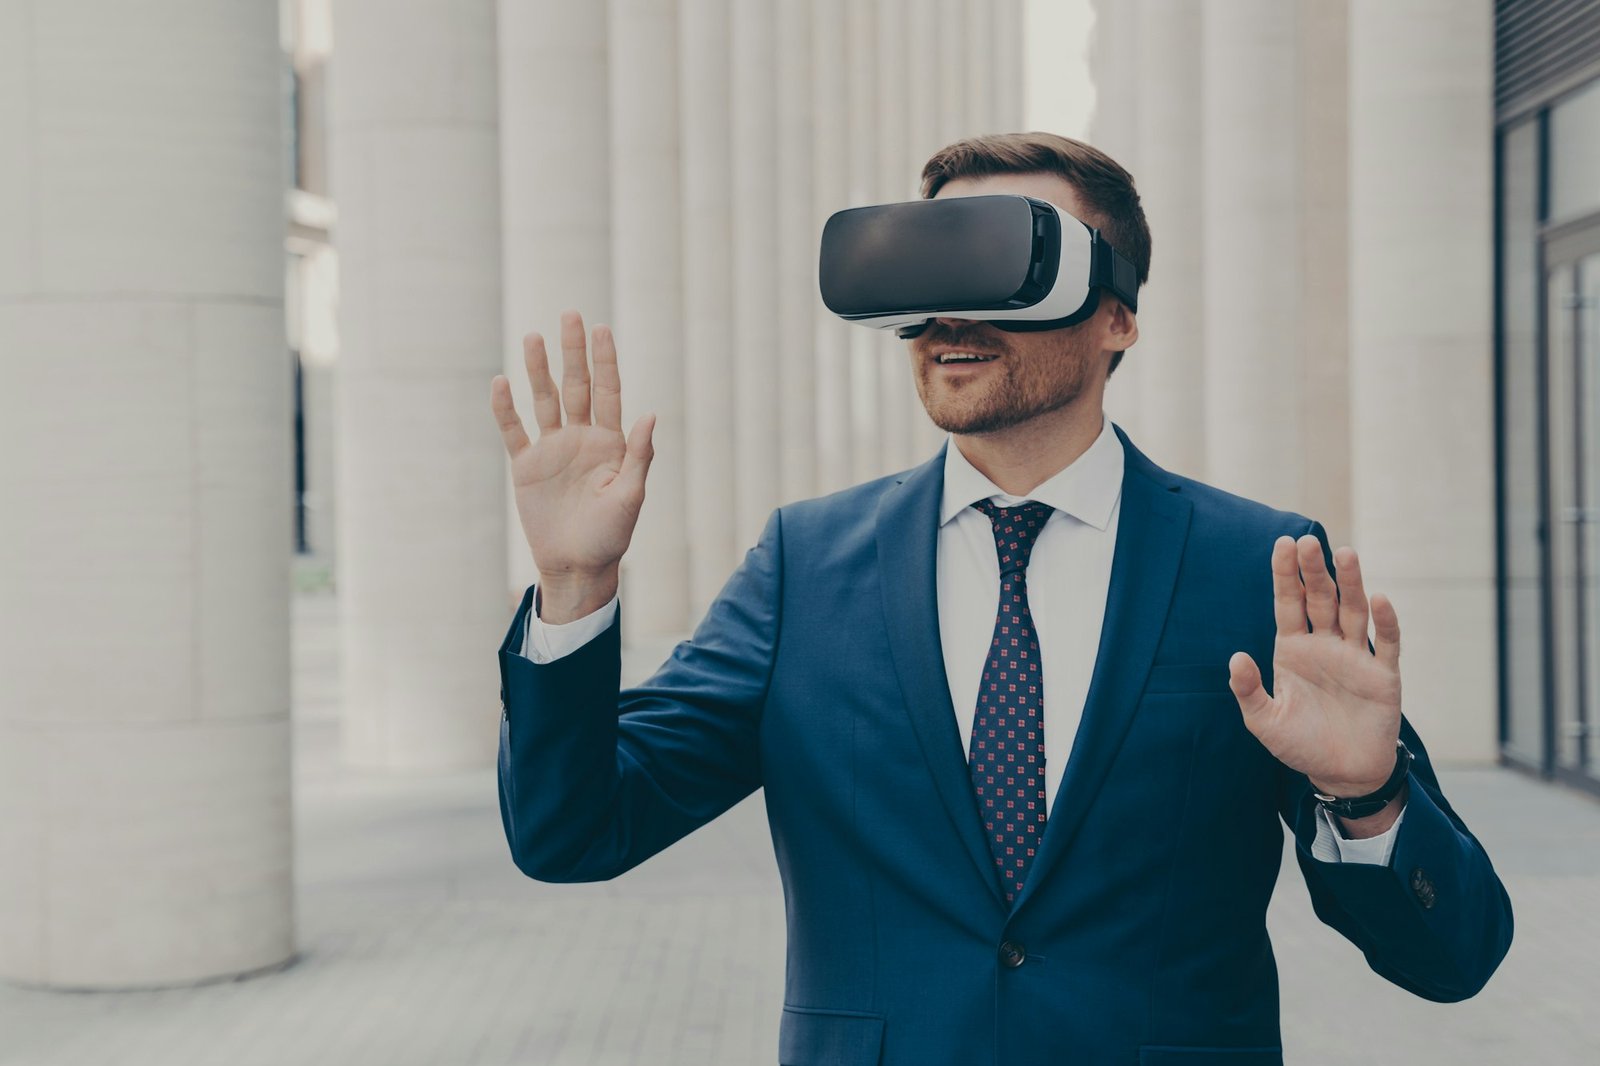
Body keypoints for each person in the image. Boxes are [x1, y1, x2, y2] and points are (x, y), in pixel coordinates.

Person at [487, 133, 1512, 1066]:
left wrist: (1365, 798)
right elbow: (573, 833)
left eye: (1003, 265)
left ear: (1116, 315)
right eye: (929, 266)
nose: (949, 313)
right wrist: (576, 590)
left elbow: (1452, 956)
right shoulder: (805, 563)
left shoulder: (1256, 565)